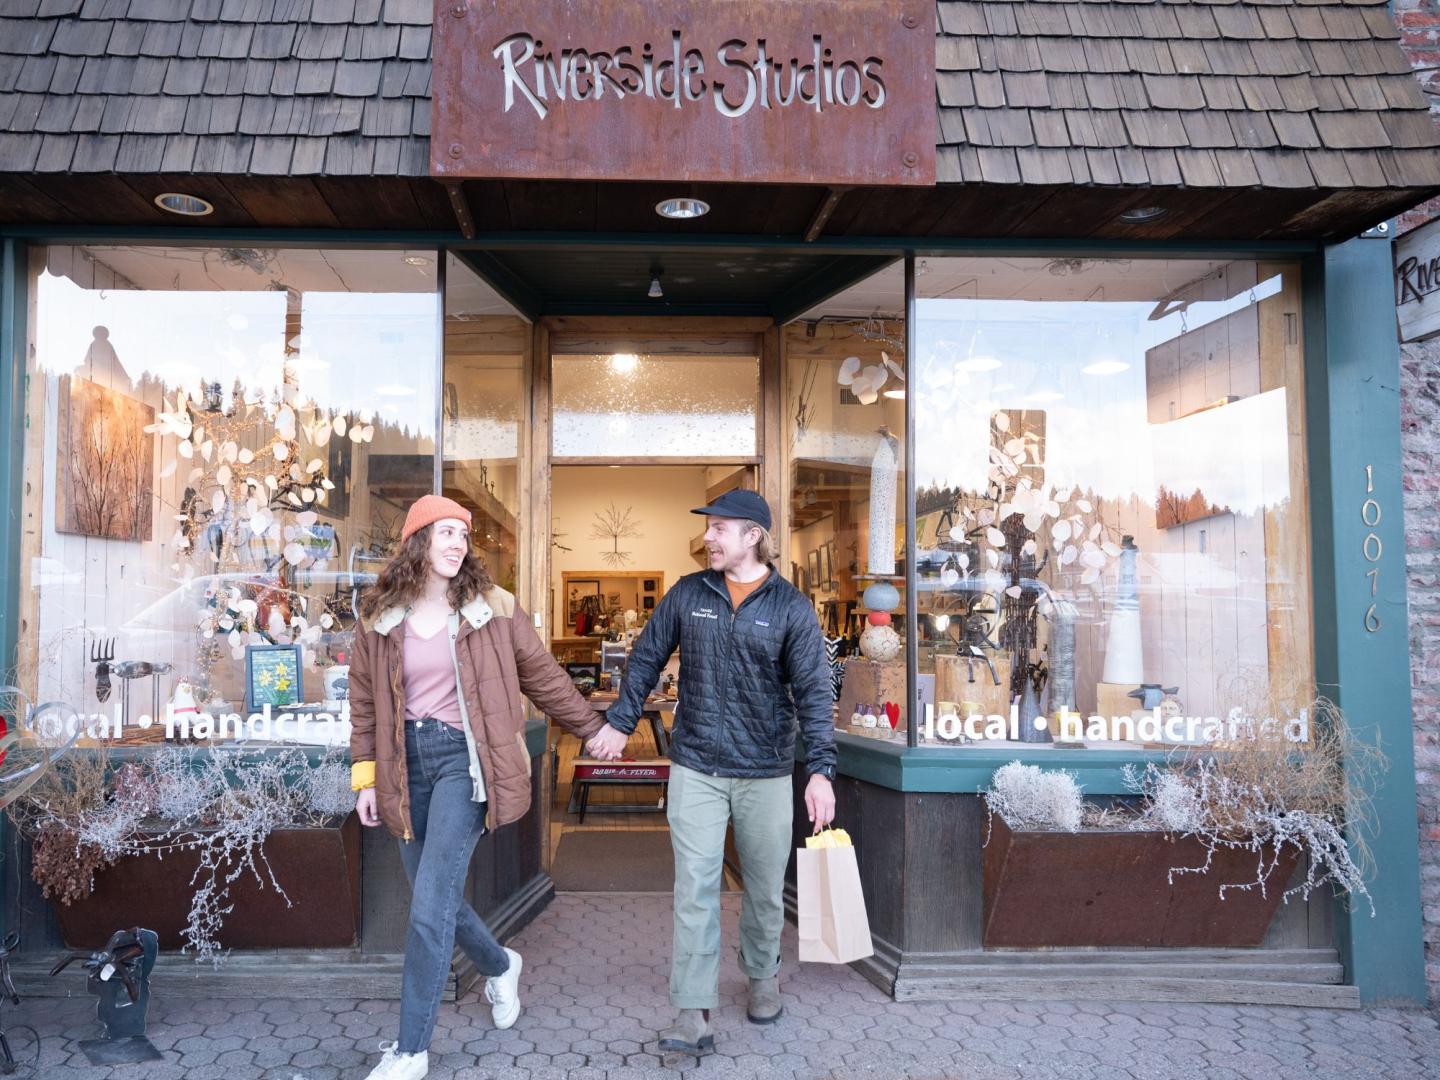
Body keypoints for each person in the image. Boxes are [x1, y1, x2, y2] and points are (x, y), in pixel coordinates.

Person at [350, 494, 621, 1080]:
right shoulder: (379, 615)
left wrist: (594, 729)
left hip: (463, 764)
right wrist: (366, 774)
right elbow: (364, 702)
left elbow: (543, 677)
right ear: (416, 541)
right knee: (436, 895)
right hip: (404, 766)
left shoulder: (493, 608)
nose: (457, 544)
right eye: (444, 532)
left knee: (426, 909)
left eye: (463, 535)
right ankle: (500, 966)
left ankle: (410, 1050)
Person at [588, 489, 838, 1055]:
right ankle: (693, 1010)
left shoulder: (790, 607)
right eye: (710, 528)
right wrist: (622, 722)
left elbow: (814, 694)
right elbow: (647, 657)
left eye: (720, 528)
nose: (709, 537)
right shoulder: (688, 593)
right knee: (695, 889)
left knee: (765, 888)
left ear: (754, 536)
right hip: (697, 763)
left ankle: (762, 974)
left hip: (766, 770)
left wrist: (820, 769)